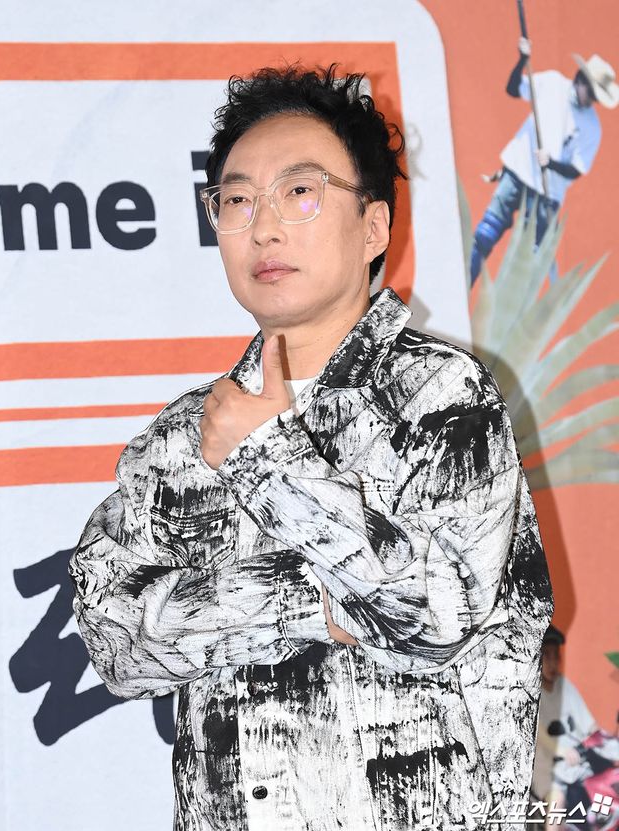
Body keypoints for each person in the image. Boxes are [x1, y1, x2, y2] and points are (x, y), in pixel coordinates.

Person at [70, 64, 554, 831]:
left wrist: (262, 460)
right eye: (237, 200)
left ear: (373, 228)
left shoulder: (444, 396)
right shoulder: (184, 433)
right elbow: (114, 639)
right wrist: (313, 600)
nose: (263, 227)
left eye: (300, 192)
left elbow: (433, 612)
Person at [470, 37, 617, 285]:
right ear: (581, 78)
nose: (591, 100)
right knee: (486, 233)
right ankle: (462, 285)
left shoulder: (593, 127)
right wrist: (522, 61)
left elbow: (576, 169)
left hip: (547, 195)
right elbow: (513, 88)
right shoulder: (552, 83)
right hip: (517, 172)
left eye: (596, 97)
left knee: (527, 263)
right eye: (591, 93)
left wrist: (551, 163)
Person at [531, 626, 598, 812]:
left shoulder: (565, 686)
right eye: (546, 655)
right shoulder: (528, 691)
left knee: (603, 789)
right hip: (543, 767)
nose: (552, 663)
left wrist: (605, 740)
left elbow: (590, 725)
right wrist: (560, 750)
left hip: (574, 764)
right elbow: (538, 732)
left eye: (556, 656)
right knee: (557, 801)